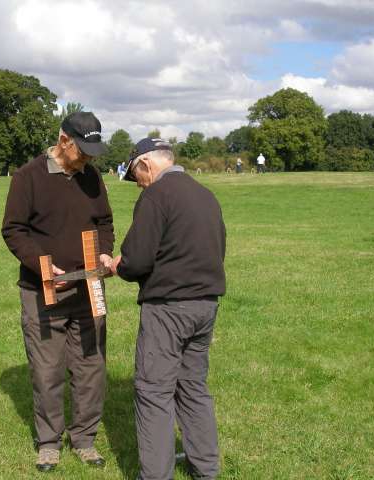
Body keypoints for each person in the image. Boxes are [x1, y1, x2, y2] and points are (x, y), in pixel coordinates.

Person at [2, 112, 114, 472]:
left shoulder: (92, 176)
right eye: (83, 151)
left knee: (91, 366)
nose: (88, 159)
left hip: (88, 287)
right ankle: (49, 443)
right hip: (42, 292)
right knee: (47, 371)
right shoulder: (28, 177)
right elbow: (14, 230)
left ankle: (85, 439)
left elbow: (104, 221)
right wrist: (43, 266)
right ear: (63, 140)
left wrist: (104, 252)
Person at [110, 137, 227, 480]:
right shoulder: (205, 194)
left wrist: (119, 265)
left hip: (168, 309)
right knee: (193, 388)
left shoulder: (156, 195)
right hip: (206, 306)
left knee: (154, 392)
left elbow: (137, 259)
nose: (138, 184)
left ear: (145, 164)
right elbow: (217, 246)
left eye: (135, 175)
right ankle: (206, 470)